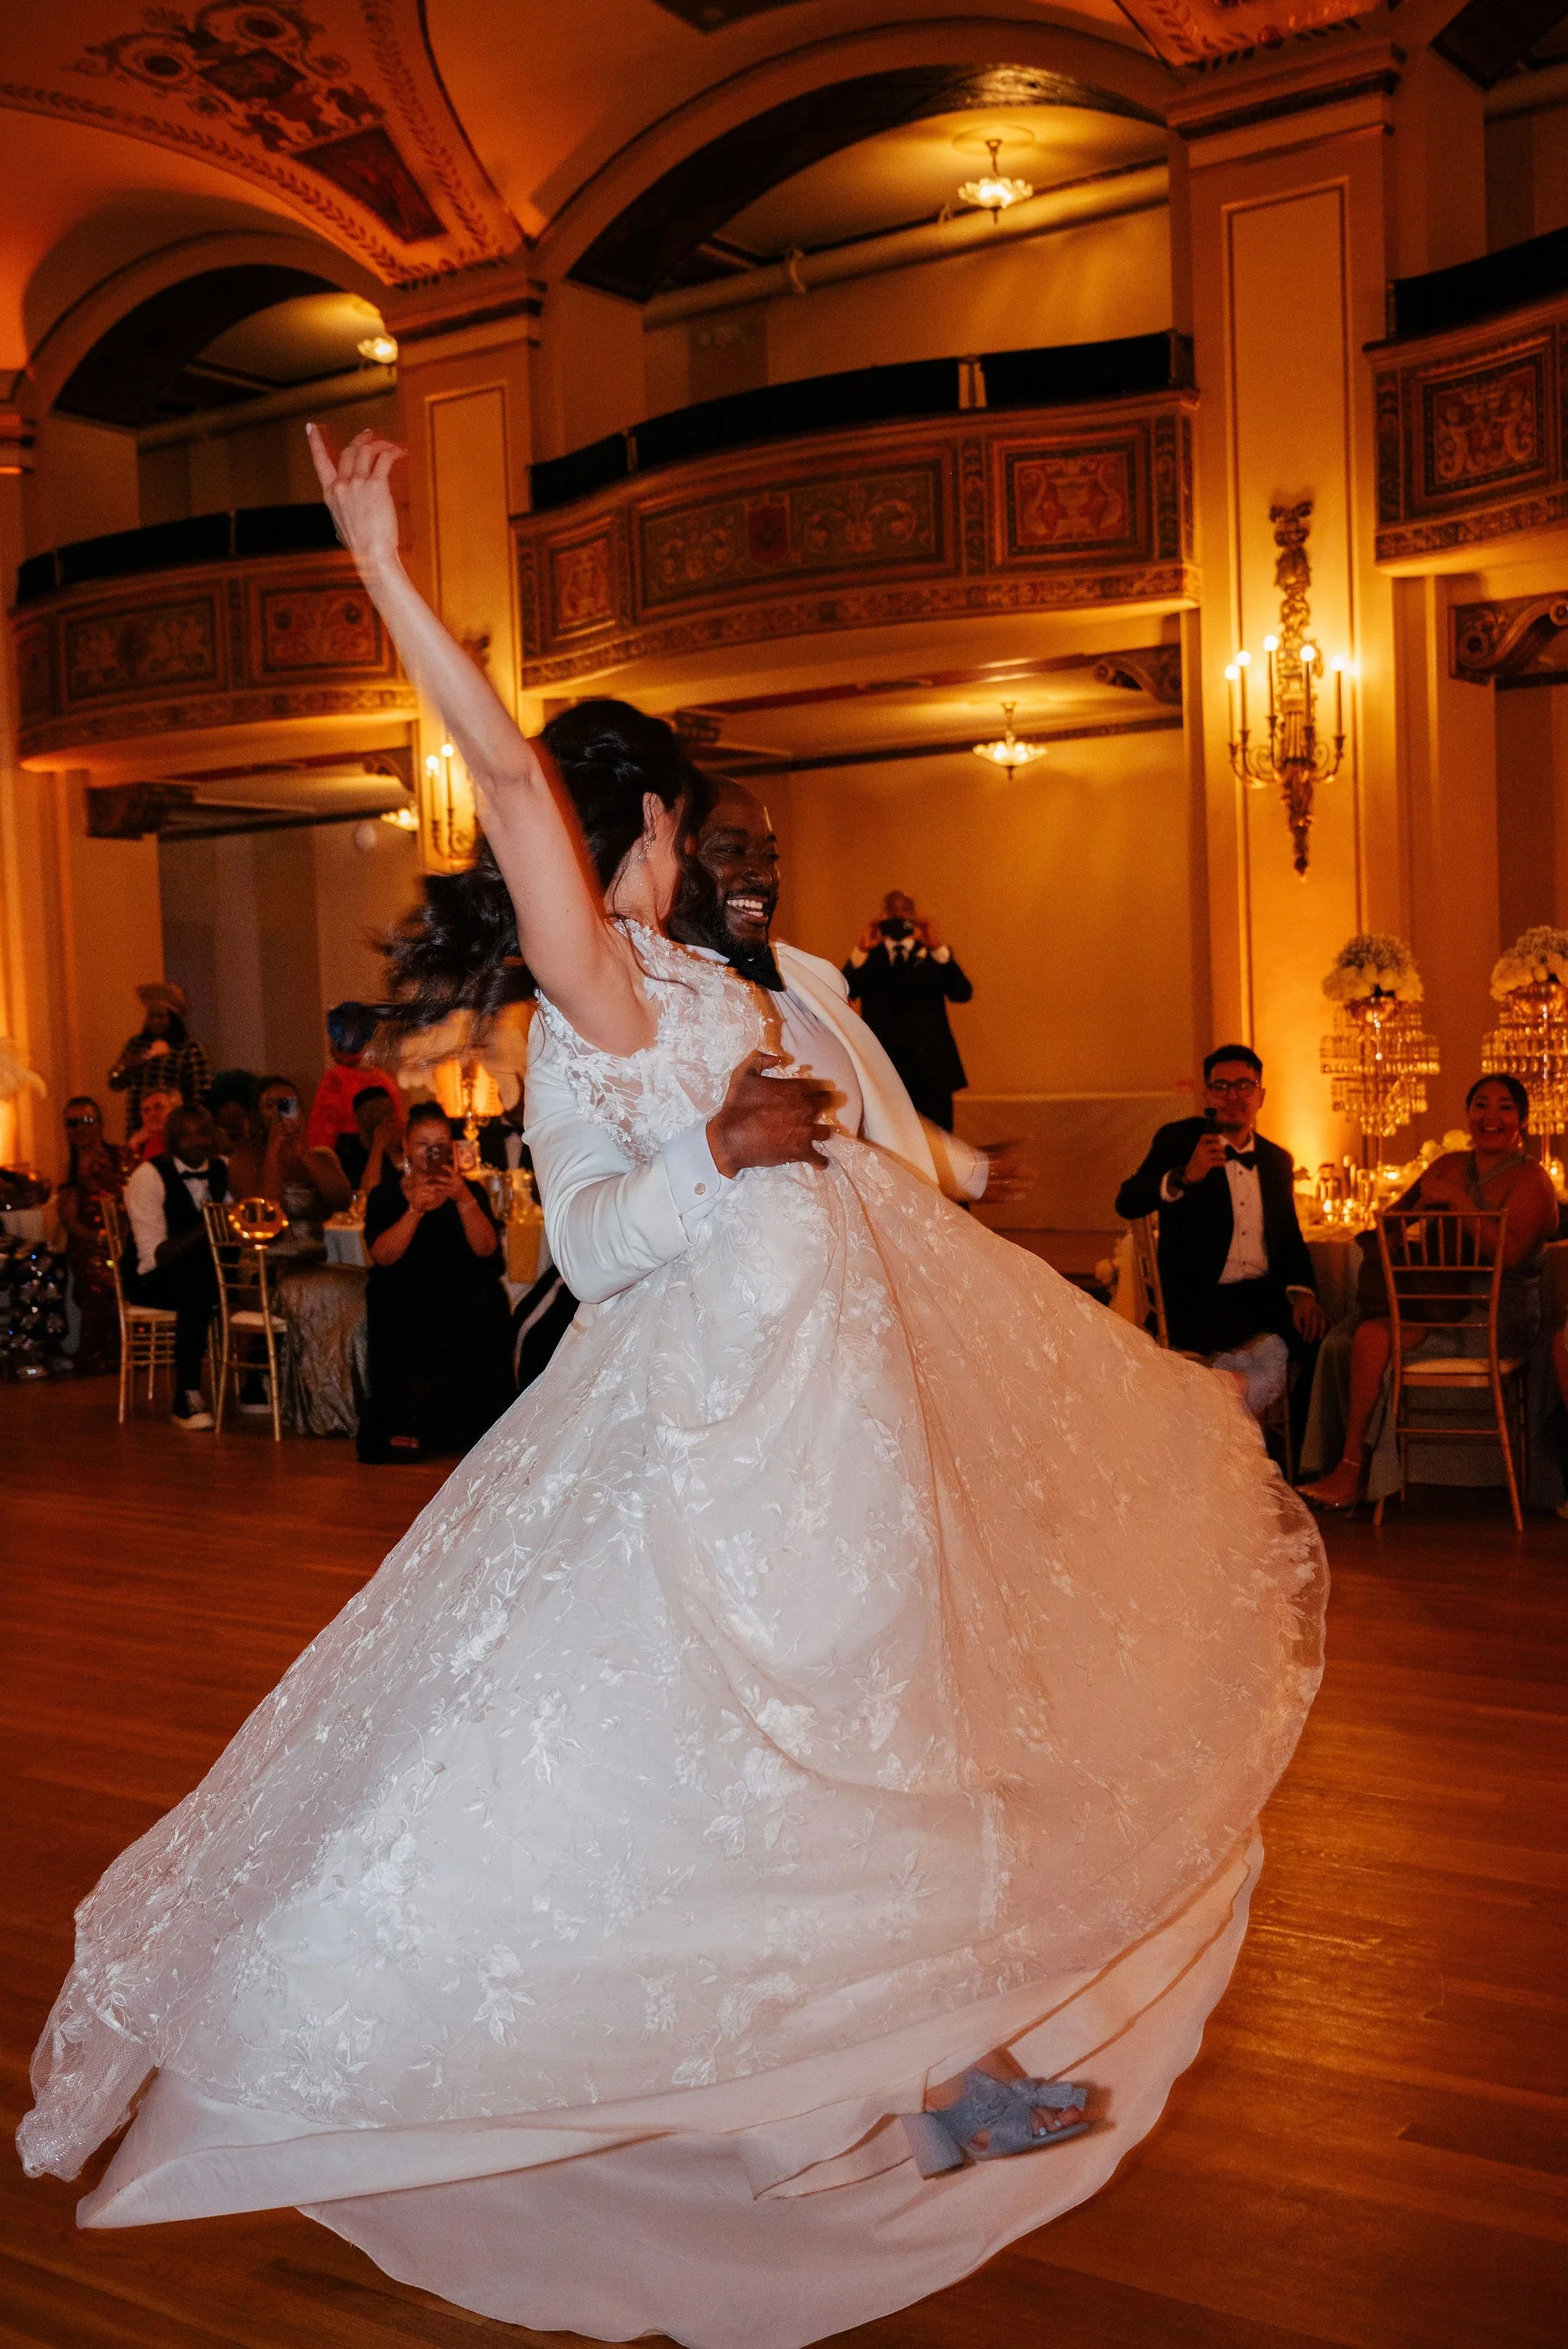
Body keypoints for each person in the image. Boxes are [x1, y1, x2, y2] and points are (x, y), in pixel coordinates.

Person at [18, 426, 1326, 2349]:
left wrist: (891, 1173)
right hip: (726, 1425)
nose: (689, 852)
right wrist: (380, 560)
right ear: (626, 824)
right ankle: (826, 2076)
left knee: (903, 1724)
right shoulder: (591, 994)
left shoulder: (700, 976)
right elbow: (603, 1235)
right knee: (777, 1761)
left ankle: (935, 2050)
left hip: (839, 1399)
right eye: (677, 824)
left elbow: (819, 1146)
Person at [524, 777, 1009, 1332]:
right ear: (667, 858)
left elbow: (857, 1128)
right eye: (731, 850)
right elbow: (582, 1256)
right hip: (697, 1351)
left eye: (769, 856)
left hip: (853, 1325)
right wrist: (719, 1150)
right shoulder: (588, 1015)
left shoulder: (810, 979)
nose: (762, 873)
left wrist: (969, 1169)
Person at [1299, 1074, 1559, 1510]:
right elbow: (1390, 1225)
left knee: (1372, 1337)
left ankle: (1353, 1472)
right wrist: (1413, 1217)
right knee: (1342, 1338)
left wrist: (1460, 1204)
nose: (1490, 1117)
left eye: (1504, 1107)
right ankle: (1330, 1466)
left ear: (1523, 1121)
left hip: (1494, 1312)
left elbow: (1510, 1256)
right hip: (1434, 1296)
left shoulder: (1531, 1180)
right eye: (1480, 1104)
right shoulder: (1447, 1164)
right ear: (1468, 1113)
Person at [1116, 1045, 1327, 1421]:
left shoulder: (1277, 1160)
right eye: (1222, 1087)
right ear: (1207, 1095)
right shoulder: (1181, 1140)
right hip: (1199, 1297)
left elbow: (1289, 1236)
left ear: (1261, 1094)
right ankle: (1240, 1425)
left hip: (1262, 1297)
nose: (1233, 1096)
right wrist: (1184, 1176)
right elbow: (1127, 1201)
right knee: (1269, 1349)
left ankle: (1279, 1453)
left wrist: (1303, 1293)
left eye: (1244, 1085)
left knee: (1320, 1341)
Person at [357, 1099, 513, 1462]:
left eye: (440, 1144)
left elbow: (486, 1249)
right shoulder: (386, 1194)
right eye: (424, 1144)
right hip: (405, 1289)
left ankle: (478, 1424)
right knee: (396, 1309)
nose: (432, 1151)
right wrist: (415, 1210)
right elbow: (382, 1254)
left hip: (462, 1288)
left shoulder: (470, 1192)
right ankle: (404, 1425)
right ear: (408, 1148)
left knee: (486, 1302)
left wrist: (462, 1200)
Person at [119, 1102, 227, 1431]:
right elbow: (156, 1256)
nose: (196, 1143)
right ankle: (187, 1394)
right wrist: (209, 1224)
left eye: (203, 1134)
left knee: (265, 1278)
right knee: (195, 1286)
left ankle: (259, 1385)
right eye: (186, 1137)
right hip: (150, 1278)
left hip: (207, 1274)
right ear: (172, 1141)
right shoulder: (148, 1177)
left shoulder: (223, 1168)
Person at [842, 889, 973, 1131]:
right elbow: (843, 993)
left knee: (942, 1143)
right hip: (886, 1068)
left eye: (904, 911)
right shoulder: (869, 957)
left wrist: (936, 947)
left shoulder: (935, 955)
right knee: (892, 1138)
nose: (898, 917)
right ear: (882, 917)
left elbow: (962, 993)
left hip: (932, 1068)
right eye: (891, 911)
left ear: (914, 916)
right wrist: (862, 950)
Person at [224, 1075, 353, 1243]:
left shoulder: (322, 1156)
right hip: (268, 1258)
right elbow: (261, 1217)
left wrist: (304, 1153)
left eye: (288, 1105)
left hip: (320, 1255)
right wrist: (273, 1151)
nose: (280, 1113)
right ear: (259, 1116)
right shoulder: (246, 1157)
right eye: (270, 1106)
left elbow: (343, 1202)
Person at [55, 1096, 129, 1375]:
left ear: (100, 1123)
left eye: (86, 1121)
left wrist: (123, 1238)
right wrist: (100, 1239)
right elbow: (69, 1220)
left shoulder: (121, 1157)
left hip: (125, 1239)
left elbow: (135, 1203)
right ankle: (98, 1355)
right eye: (72, 1124)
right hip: (89, 1244)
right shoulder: (70, 1168)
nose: (79, 1129)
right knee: (98, 1277)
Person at [107, 982, 211, 1140]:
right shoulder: (137, 1045)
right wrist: (129, 1064)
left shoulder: (189, 1049)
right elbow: (114, 1083)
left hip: (174, 1133)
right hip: (138, 1131)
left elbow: (200, 1094)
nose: (155, 1021)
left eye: (161, 1016)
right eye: (151, 1016)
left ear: (173, 1019)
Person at [307, 1001, 403, 1154]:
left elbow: (321, 1137)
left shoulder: (335, 1079)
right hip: (384, 1161)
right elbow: (398, 1130)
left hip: (348, 1161)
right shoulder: (386, 1081)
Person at [335, 1083, 399, 1194]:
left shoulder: (402, 1146)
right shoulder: (348, 1152)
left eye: (391, 1112)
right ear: (361, 1120)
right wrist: (378, 1146)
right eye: (382, 1113)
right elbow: (366, 1194)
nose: (390, 1119)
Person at [126, 1085, 181, 1167]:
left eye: (159, 1107)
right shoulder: (138, 1146)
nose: (152, 1114)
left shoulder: (185, 1143)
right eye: (146, 1111)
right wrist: (133, 1147)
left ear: (176, 1111)